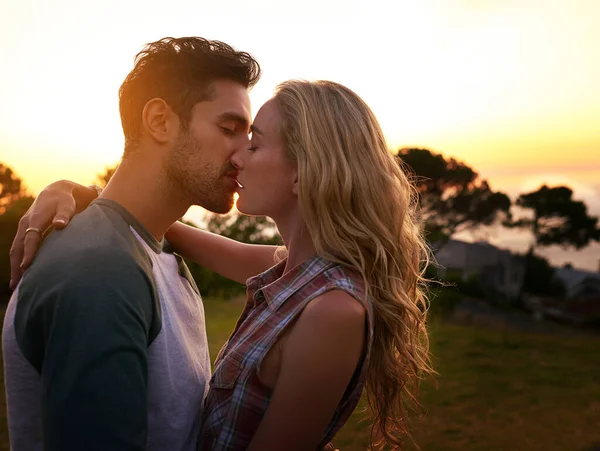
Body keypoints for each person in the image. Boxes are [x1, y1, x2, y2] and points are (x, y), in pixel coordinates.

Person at [10, 81, 434, 450]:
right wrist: (84, 193)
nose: (239, 158)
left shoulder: (333, 311)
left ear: (304, 172)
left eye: (255, 143)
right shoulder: (295, 272)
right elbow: (162, 227)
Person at [2, 36, 261, 451]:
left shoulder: (153, 252)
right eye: (229, 129)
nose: (244, 155)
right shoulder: (99, 269)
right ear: (159, 120)